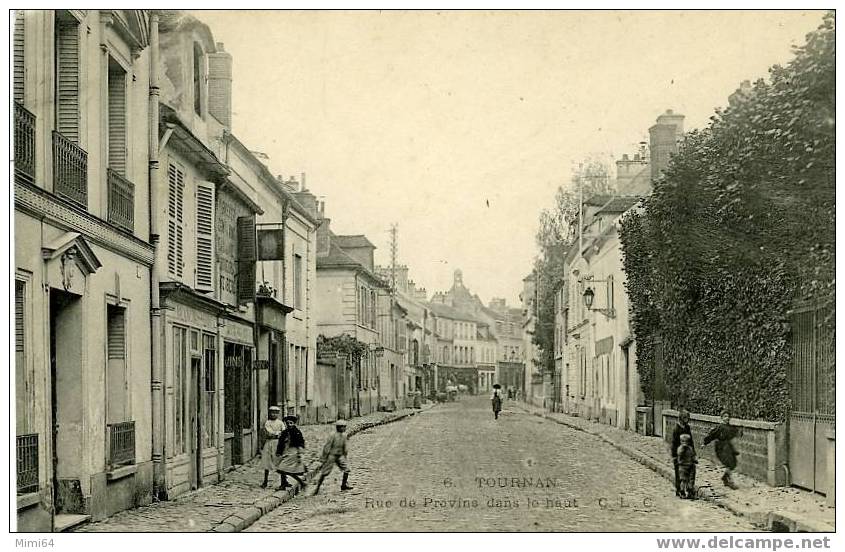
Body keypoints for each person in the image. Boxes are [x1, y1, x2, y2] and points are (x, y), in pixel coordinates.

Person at [310, 419, 353, 495]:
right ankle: (317, 489)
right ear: (338, 427)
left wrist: (345, 455)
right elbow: (327, 447)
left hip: (340, 456)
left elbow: (345, 447)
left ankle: (344, 485)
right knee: (325, 472)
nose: (344, 428)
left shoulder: (344, 436)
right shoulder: (333, 435)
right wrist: (324, 458)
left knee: (347, 469)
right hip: (331, 456)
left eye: (345, 427)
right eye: (343, 427)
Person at [703, 411, 742, 489]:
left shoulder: (730, 427)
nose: (726, 418)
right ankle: (729, 481)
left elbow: (736, 432)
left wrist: (740, 431)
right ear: (721, 418)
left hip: (728, 447)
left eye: (728, 416)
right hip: (721, 447)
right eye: (724, 416)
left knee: (733, 463)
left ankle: (725, 477)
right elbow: (712, 435)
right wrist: (705, 443)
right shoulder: (719, 427)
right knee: (729, 463)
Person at [275, 414, 307, 490]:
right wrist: (279, 451)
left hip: (293, 452)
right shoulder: (285, 432)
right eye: (288, 423)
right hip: (286, 452)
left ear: (294, 423)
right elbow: (280, 443)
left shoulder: (297, 432)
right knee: (283, 469)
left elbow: (301, 442)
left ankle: (299, 483)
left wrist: (299, 453)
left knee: (283, 468)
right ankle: (285, 483)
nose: (289, 425)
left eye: (291, 423)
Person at [670, 409, 694, 497]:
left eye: (688, 418)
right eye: (685, 418)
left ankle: (688, 489)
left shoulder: (687, 428)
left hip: (687, 454)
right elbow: (674, 443)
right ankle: (679, 489)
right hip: (679, 454)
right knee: (678, 472)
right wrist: (674, 455)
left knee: (689, 471)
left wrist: (693, 453)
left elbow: (691, 441)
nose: (686, 420)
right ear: (681, 418)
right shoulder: (676, 429)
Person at [260, 406, 285, 488]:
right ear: (269, 413)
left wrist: (279, 434)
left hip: (278, 443)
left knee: (280, 461)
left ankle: (283, 482)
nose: (273, 414)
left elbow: (284, 432)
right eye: (272, 413)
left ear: (278, 414)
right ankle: (265, 481)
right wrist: (278, 433)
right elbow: (269, 432)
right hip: (269, 443)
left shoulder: (280, 423)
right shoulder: (268, 423)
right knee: (267, 462)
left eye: (275, 413)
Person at [676, 434, 698, 499]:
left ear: (689, 442)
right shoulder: (680, 449)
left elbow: (692, 455)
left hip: (691, 466)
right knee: (683, 480)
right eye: (683, 441)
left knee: (691, 480)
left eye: (686, 441)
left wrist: (694, 460)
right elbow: (679, 454)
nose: (685, 443)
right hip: (683, 467)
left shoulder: (690, 448)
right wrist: (683, 448)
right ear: (680, 442)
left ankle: (690, 492)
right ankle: (682, 492)